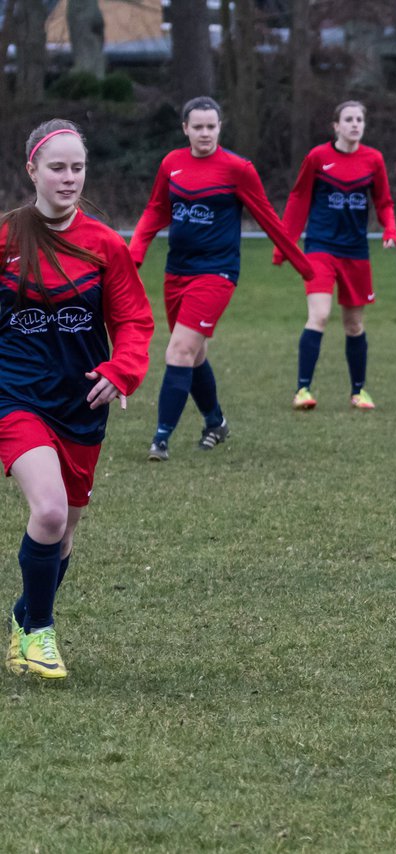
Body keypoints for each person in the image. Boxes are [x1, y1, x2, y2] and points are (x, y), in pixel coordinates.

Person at [2, 120, 154, 678]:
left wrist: (123, 369)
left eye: (77, 167)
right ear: (32, 171)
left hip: (81, 404)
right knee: (48, 510)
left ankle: (24, 619)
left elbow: (134, 320)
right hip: (15, 396)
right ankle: (40, 634)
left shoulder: (105, 245)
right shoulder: (7, 239)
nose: (69, 178)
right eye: (57, 167)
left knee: (64, 533)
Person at [130, 96, 314, 461]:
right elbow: (156, 209)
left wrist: (302, 264)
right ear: (185, 129)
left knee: (179, 350)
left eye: (211, 127)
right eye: (197, 127)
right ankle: (216, 422)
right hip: (176, 272)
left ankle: (161, 439)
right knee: (193, 354)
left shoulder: (237, 168)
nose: (204, 133)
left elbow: (267, 218)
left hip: (217, 272)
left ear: (219, 127)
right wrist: (135, 250)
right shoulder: (171, 164)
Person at [278, 100, 396, 411]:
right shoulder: (318, 157)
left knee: (354, 325)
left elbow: (384, 202)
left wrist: (390, 230)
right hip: (320, 247)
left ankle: (359, 392)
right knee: (319, 314)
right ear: (336, 126)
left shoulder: (374, 159)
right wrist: (284, 244)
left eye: (359, 119)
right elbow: (299, 198)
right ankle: (302, 390)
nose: (355, 124)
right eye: (348, 119)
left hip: (355, 252)